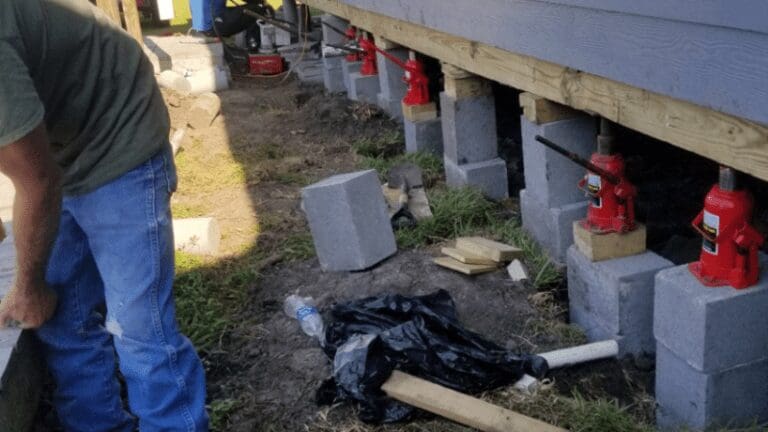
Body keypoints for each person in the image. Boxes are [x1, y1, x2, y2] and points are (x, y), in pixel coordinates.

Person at [0, 0, 209, 430]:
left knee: (138, 327)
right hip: (59, 137)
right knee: (63, 319)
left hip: (117, 124)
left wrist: (27, 286)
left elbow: (39, 183)